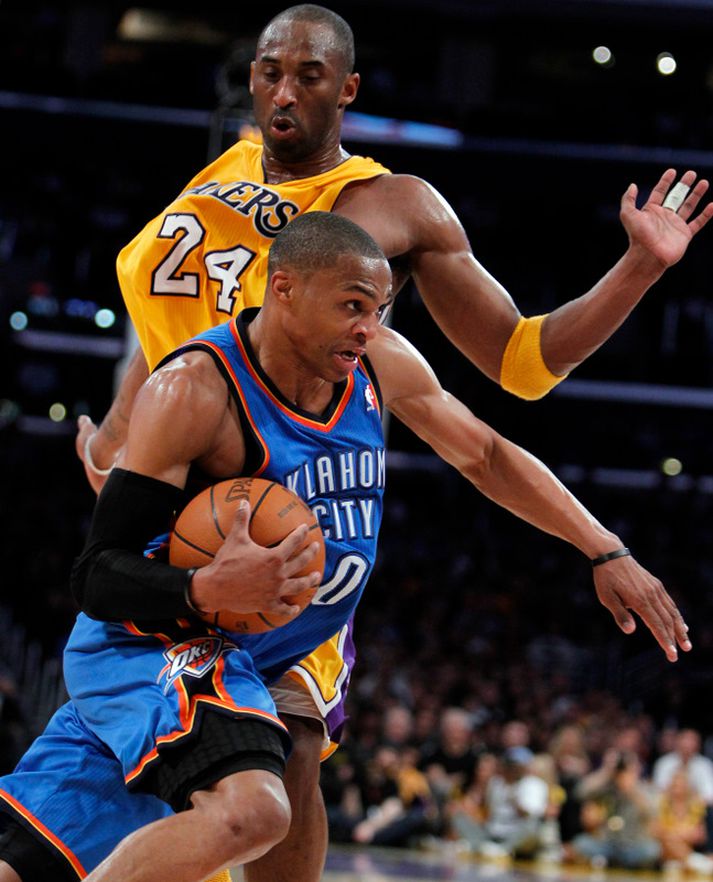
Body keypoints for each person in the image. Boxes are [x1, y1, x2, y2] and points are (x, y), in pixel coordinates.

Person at [74, 5, 712, 880]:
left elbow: (522, 366)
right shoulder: (221, 170)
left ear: (349, 89)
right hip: (171, 497)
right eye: (268, 71)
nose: (283, 91)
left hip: (282, 496)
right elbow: (165, 332)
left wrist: (638, 266)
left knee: (283, 749)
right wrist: (115, 438)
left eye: (307, 74)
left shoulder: (392, 206)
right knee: (133, 777)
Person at [0, 212, 694, 880]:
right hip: (157, 643)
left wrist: (604, 548)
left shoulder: (378, 363)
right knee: (254, 809)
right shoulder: (193, 389)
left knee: (23, 866)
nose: (369, 327)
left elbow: (483, 452)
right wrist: (203, 590)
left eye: (380, 308)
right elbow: (97, 577)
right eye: (353, 306)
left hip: (253, 648)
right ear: (284, 289)